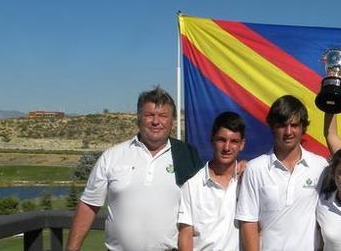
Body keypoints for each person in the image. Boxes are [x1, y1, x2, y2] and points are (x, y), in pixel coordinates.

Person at [66, 86, 202, 251]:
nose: (156, 121)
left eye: (163, 116)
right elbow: (88, 205)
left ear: (172, 121)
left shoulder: (187, 156)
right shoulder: (112, 157)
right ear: (138, 119)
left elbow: (209, 194)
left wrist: (240, 167)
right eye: (149, 115)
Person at [236, 95, 329, 251]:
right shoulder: (254, 169)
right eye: (282, 125)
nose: (288, 132)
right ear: (272, 127)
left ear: (303, 128)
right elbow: (248, 222)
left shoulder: (320, 167)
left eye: (294, 125)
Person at [177, 111, 246, 251]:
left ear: (242, 144)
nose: (227, 147)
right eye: (221, 140)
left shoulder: (248, 180)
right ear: (211, 140)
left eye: (234, 141)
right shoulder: (191, 186)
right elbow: (185, 235)